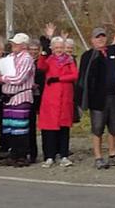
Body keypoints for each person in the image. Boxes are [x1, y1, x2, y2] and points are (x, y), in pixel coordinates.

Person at [75, 16, 115, 170]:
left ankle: (113, 154)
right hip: (97, 98)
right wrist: (83, 99)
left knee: (114, 127)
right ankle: (98, 157)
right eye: (97, 37)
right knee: (97, 128)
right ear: (92, 40)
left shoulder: (112, 50)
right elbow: (82, 78)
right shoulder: (88, 55)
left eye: (102, 37)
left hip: (114, 95)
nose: (100, 40)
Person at [0, 33, 37, 168]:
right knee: (10, 127)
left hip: (21, 96)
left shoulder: (27, 59)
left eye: (16, 44)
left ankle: (22, 155)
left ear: (23, 45)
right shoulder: (10, 57)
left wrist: (2, 78)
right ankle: (13, 154)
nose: (13, 46)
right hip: (8, 96)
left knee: (20, 128)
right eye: (13, 43)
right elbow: (0, 73)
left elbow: (19, 79)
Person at [36, 36, 78, 168]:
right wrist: (43, 52)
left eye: (61, 47)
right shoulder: (49, 59)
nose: (59, 50)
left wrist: (59, 78)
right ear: (52, 49)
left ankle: (64, 155)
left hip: (65, 98)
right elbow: (41, 66)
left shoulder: (69, 60)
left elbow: (75, 75)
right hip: (51, 99)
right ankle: (49, 156)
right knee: (49, 129)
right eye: (56, 48)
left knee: (64, 128)